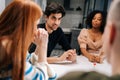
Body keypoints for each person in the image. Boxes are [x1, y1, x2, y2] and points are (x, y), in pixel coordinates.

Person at [58, 0, 120, 80]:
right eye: (94, 18)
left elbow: (104, 50)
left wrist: (101, 57)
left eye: (99, 19)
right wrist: (89, 56)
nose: (96, 21)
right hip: (85, 59)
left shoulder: (105, 34)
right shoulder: (84, 32)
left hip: (100, 60)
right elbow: (83, 48)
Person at [0, 0, 56, 80]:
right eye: (35, 25)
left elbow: (28, 61)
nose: (35, 29)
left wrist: (39, 45)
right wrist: (43, 46)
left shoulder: (7, 41)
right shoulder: (8, 46)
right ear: (24, 24)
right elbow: (40, 78)